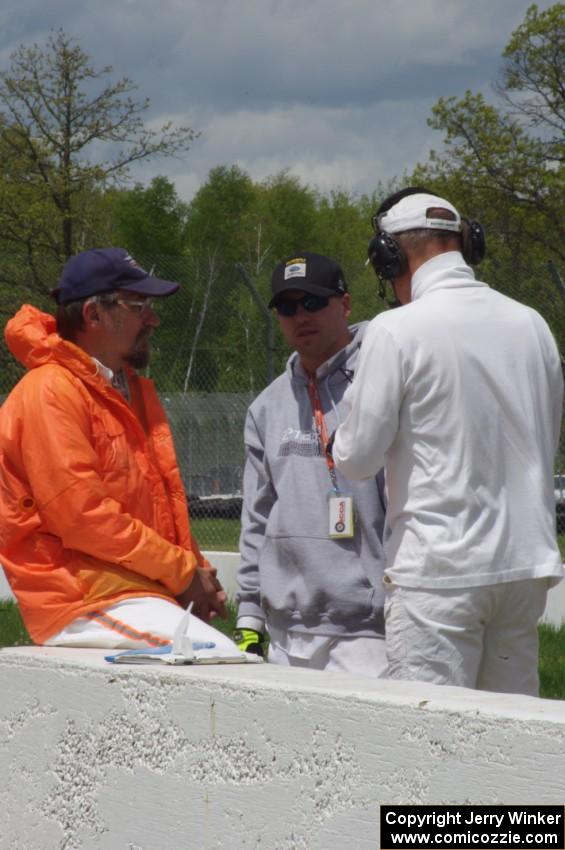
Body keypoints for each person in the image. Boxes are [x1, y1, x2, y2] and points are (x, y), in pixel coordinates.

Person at [332, 189, 564, 695]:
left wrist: (342, 423)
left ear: (389, 255)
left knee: (430, 749)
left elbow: (355, 458)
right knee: (510, 741)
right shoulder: (533, 324)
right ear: (466, 243)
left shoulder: (395, 330)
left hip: (438, 572)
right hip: (524, 566)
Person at [0, 247, 238, 654]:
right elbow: (83, 517)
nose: (154, 319)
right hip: (81, 597)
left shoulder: (125, 391)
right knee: (215, 658)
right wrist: (182, 574)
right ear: (93, 315)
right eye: (139, 305)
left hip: (133, 592)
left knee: (230, 669)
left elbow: (161, 506)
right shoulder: (51, 391)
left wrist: (195, 570)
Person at [234, 252, 387, 675]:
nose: (301, 316)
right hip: (286, 633)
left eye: (314, 302)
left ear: (346, 304)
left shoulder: (382, 384)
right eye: (287, 307)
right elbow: (256, 518)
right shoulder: (266, 408)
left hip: (369, 632)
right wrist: (250, 615)